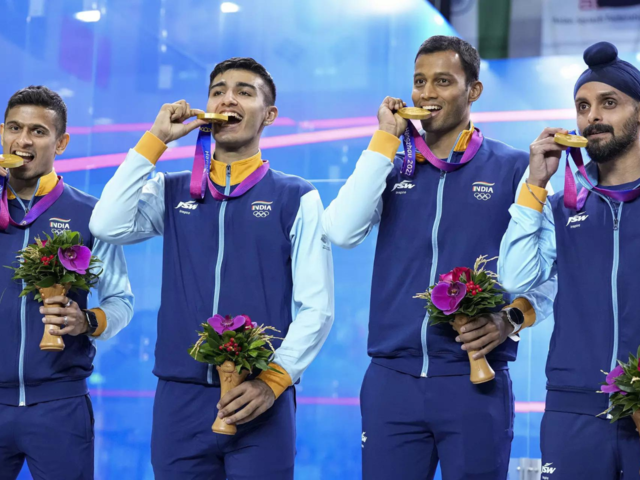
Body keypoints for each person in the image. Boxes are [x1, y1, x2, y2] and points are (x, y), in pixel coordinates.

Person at [89, 57, 334, 480]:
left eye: (244, 91)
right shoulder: (172, 190)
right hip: (179, 400)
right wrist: (155, 140)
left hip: (260, 397)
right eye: (218, 90)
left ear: (269, 115)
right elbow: (106, 223)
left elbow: (317, 307)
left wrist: (274, 381)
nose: (227, 98)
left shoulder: (296, 197)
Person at [322, 36, 555, 480]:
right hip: (392, 378)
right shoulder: (392, 164)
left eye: (443, 81)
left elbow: (547, 273)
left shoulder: (511, 169)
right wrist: (382, 142)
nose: (427, 93)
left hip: (474, 379)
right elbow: (341, 231)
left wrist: (513, 317)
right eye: (419, 82)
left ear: (474, 91)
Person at [499, 41, 640, 479]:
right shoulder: (563, 206)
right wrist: (534, 185)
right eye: (583, 106)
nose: (592, 117)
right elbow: (517, 276)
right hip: (572, 406)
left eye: (608, 103)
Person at [0, 86, 134, 480]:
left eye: (38, 132)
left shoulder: (91, 215)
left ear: (61, 143)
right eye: (14, 128)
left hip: (59, 405)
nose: (23, 141)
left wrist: (88, 321)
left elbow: (121, 300)